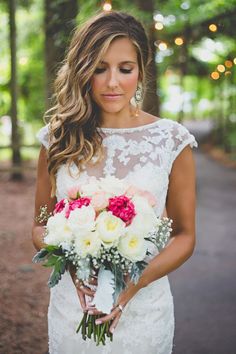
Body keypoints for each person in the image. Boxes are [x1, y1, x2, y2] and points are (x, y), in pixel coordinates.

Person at [32, 10, 198, 354]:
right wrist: (74, 270)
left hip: (145, 310)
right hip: (73, 308)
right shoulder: (58, 139)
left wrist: (134, 284)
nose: (112, 82)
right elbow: (39, 227)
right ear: (82, 70)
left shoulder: (170, 140)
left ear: (141, 70)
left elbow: (185, 235)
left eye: (125, 69)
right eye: (99, 68)